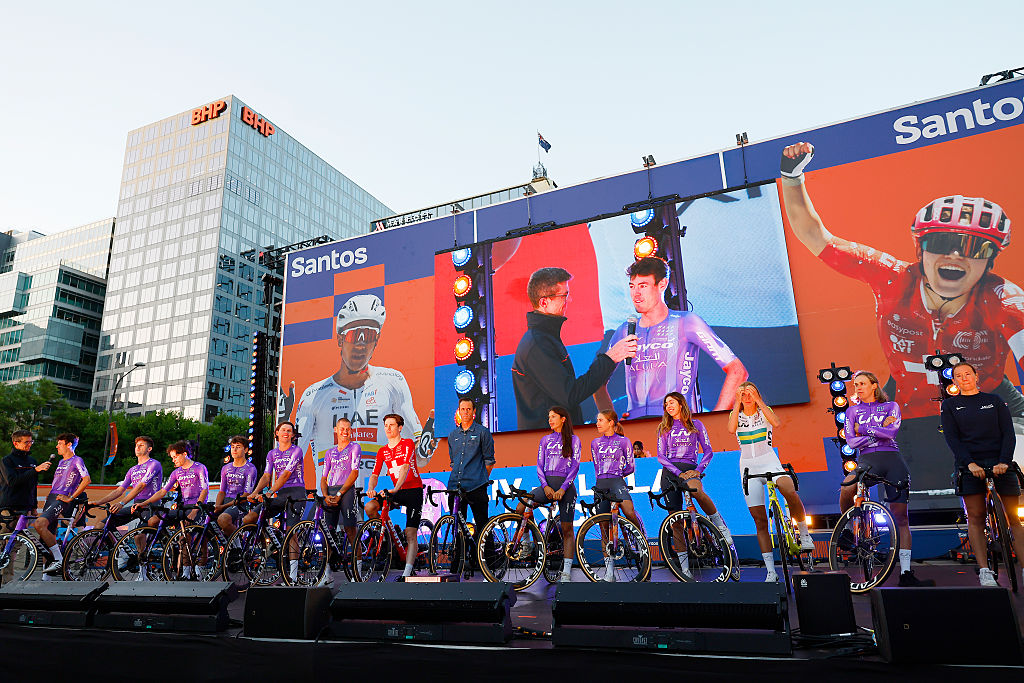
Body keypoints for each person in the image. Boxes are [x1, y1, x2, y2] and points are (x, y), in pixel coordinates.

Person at [780, 143, 1022, 420]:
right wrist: (791, 177)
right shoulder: (891, 277)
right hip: (910, 404)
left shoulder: (1004, 297)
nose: (955, 255)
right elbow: (814, 235)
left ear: (990, 261)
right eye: (942, 242)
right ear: (920, 250)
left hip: (991, 404)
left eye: (975, 248)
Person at [295, 294, 427, 483]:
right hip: (333, 495)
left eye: (369, 335)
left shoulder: (393, 381)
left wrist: (426, 444)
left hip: (378, 496)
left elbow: (421, 459)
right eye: (355, 334)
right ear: (340, 339)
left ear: (377, 340)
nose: (361, 343)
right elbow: (288, 454)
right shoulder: (313, 394)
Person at [606, 257, 747, 416]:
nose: (636, 294)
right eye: (632, 286)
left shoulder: (687, 322)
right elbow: (597, 382)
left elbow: (737, 371)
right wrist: (612, 422)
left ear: (662, 285)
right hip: (637, 426)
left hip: (678, 425)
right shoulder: (624, 330)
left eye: (643, 286)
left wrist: (714, 419)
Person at [512, 267, 637, 429]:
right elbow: (570, 395)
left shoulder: (545, 339)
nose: (568, 301)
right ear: (544, 302)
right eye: (564, 295)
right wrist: (610, 357)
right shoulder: (537, 344)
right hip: (550, 446)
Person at [841, 371, 933, 587]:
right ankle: (846, 530)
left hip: (892, 459)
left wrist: (862, 429)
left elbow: (890, 433)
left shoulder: (891, 406)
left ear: (874, 385)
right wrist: (878, 428)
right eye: (856, 385)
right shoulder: (852, 411)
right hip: (867, 459)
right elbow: (851, 443)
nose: (858, 388)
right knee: (847, 488)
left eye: (862, 383)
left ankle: (907, 573)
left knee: (901, 517)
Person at [942, 362, 1024, 587]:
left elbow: (1008, 433)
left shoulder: (995, 400)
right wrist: (969, 464)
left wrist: (1004, 461)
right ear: (954, 381)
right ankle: (985, 570)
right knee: (976, 517)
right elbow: (952, 439)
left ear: (976, 376)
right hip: (970, 466)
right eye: (958, 375)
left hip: (1000, 463)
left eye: (968, 374)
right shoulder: (950, 406)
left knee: (1013, 518)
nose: (964, 378)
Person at [728, 381, 814, 583]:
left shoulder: (765, 410)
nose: (746, 396)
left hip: (769, 461)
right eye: (742, 393)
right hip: (748, 466)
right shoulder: (735, 415)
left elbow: (776, 423)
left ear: (757, 393)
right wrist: (737, 402)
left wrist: (757, 400)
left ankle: (804, 533)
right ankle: (770, 571)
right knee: (759, 520)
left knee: (788, 488)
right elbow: (731, 430)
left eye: (750, 392)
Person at [657, 392, 739, 580]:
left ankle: (720, 526)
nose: (668, 405)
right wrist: (678, 473)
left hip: (691, 469)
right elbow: (661, 456)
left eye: (671, 402)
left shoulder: (696, 425)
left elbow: (708, 452)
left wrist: (698, 469)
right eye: (665, 403)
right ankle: (684, 570)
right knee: (675, 521)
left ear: (681, 404)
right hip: (670, 473)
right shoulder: (664, 427)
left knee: (698, 492)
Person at [518, 406, 581, 582]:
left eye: (553, 416)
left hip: (566, 489)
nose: (550, 419)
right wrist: (545, 486)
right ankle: (527, 542)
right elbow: (539, 466)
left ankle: (567, 570)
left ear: (563, 419)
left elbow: (575, 466)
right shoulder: (545, 440)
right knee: (521, 505)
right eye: (549, 417)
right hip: (547, 486)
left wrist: (562, 489)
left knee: (567, 529)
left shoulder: (574, 440)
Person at [135, 441, 209, 580]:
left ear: (184, 454)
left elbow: (205, 490)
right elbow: (163, 491)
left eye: (175, 457)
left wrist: (195, 510)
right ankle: (169, 543)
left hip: (197, 507)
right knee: (154, 520)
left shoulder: (200, 468)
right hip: (183, 507)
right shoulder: (176, 472)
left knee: (185, 536)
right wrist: (144, 503)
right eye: (172, 457)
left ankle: (187, 571)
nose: (173, 460)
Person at [247, 421, 307, 583]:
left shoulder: (297, 450)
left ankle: (293, 576)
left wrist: (270, 492)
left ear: (293, 435)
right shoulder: (272, 453)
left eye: (289, 431)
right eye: (283, 430)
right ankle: (268, 546)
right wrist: (255, 492)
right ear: (277, 433)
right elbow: (267, 476)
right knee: (250, 518)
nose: (286, 432)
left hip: (296, 492)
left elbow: (286, 474)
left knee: (291, 532)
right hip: (279, 493)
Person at [365, 413, 423, 579]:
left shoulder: (408, 443)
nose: (388, 428)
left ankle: (407, 572)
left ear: (400, 427)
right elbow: (375, 474)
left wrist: (396, 489)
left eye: (392, 425)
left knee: (410, 533)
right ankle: (389, 540)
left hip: (413, 490)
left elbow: (405, 468)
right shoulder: (383, 450)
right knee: (371, 507)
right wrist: (370, 488)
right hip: (396, 491)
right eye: (386, 425)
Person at [591, 409, 643, 582]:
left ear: (611, 422)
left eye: (601, 420)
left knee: (629, 512)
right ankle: (609, 571)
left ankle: (639, 540)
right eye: (597, 420)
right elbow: (597, 466)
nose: (597, 423)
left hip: (617, 481)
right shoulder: (595, 443)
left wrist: (617, 473)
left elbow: (631, 466)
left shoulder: (624, 441)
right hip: (601, 483)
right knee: (603, 527)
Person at [446, 398, 496, 564]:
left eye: (468, 409)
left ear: (474, 412)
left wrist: (480, 478)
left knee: (482, 524)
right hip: (455, 486)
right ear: (459, 411)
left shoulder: (483, 432)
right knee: (457, 525)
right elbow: (453, 462)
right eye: (463, 409)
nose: (465, 412)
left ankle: (486, 561)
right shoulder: (453, 435)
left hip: (477, 486)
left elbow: (489, 461)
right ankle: (458, 560)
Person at [36, 433, 90, 575]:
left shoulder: (77, 460)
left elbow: (86, 480)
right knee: (46, 540)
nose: (57, 446)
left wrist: (71, 497)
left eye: (60, 443)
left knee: (39, 524)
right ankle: (46, 580)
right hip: (52, 497)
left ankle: (59, 559)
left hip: (62, 498)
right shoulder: (60, 462)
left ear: (69, 445)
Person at [95, 435, 163, 528]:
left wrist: (121, 503)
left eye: (141, 445)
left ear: (149, 449)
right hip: (136, 506)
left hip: (151, 505)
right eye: (136, 445)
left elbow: (141, 486)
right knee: (100, 526)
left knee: (138, 535)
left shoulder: (154, 464)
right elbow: (119, 490)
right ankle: (115, 543)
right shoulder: (132, 469)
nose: (137, 448)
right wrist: (98, 502)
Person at [320, 418, 362, 548]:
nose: (345, 431)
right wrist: (325, 495)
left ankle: (358, 564)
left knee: (350, 529)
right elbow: (323, 478)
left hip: (347, 491)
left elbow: (354, 473)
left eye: (348, 429)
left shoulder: (355, 447)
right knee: (328, 530)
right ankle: (327, 565)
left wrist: (340, 493)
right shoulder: (329, 452)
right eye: (342, 428)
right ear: (336, 430)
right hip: (331, 491)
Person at [0, 430, 51, 532]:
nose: (29, 444)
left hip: (26, 507)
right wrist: (35, 470)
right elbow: (12, 481)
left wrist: (34, 506)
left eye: (31, 442)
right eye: (26, 442)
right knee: (4, 537)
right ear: (16, 443)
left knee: (20, 539)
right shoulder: (7, 460)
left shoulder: (32, 461)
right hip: (9, 507)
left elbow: (33, 485)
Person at [214, 435, 258, 537]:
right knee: (208, 524)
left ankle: (239, 542)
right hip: (226, 501)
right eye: (232, 446)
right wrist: (217, 506)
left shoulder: (250, 468)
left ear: (246, 450)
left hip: (241, 504)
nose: (234, 449)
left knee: (223, 519)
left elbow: (246, 494)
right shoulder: (226, 468)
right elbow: (222, 491)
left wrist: (222, 507)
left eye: (238, 446)